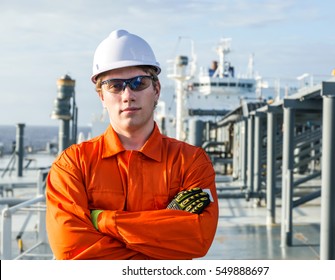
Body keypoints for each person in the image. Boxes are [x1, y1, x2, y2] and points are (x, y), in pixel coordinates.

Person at [46, 29, 219, 260]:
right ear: (101, 97)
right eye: (115, 86)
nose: (127, 95)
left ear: (156, 90)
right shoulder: (72, 164)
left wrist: (101, 219)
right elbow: (70, 249)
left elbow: (198, 239)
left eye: (139, 83)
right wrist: (163, 233)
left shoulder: (191, 161)